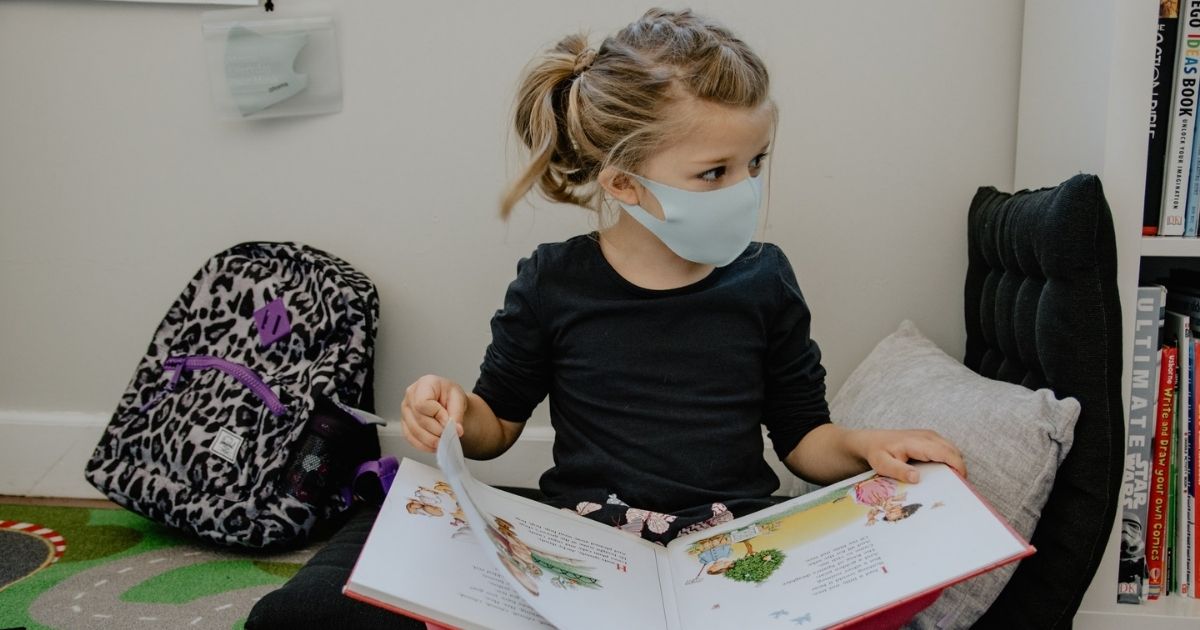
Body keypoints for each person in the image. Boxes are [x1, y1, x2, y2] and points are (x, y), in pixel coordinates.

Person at [401, 7, 965, 546]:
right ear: (623, 184)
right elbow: (496, 425)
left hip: (734, 539)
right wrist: (453, 411)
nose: (746, 189)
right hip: (591, 543)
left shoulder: (764, 280)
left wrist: (867, 446)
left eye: (756, 163)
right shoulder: (554, 282)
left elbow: (803, 437)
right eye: (714, 171)